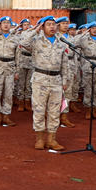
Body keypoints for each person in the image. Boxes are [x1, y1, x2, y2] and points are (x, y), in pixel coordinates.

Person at [19, 16, 70, 150]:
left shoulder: (61, 43)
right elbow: (22, 41)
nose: (52, 27)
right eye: (48, 24)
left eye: (54, 24)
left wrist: (65, 80)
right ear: (42, 27)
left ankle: (51, 139)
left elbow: (65, 64)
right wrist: (35, 30)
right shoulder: (36, 41)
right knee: (39, 109)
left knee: (54, 111)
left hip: (56, 81)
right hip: (40, 79)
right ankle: (40, 139)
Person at [74, 22, 96, 120]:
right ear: (89, 29)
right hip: (88, 65)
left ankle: (95, 111)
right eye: (92, 28)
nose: (95, 30)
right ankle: (88, 111)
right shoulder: (83, 39)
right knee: (88, 89)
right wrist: (82, 33)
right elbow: (74, 44)